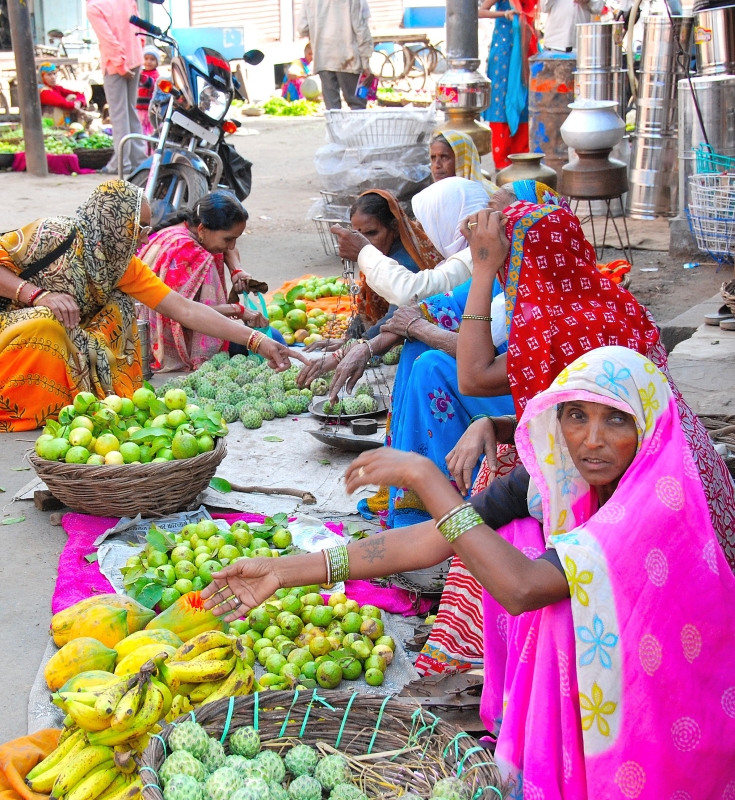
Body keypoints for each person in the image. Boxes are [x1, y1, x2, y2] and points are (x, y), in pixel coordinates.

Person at [202, 346, 735, 797]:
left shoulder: (656, 504)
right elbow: (433, 540)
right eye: (577, 416)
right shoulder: (558, 479)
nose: (591, 439)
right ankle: (542, 737)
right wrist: (282, 571)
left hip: (663, 705)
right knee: (509, 534)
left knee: (517, 560)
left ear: (647, 424)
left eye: (616, 419)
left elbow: (523, 589)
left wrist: (427, 478)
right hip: (606, 672)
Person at [0, 181, 303, 432]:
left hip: (67, 331)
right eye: (138, 227)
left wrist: (255, 340)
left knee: (119, 308)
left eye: (147, 227)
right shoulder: (52, 235)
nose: (143, 237)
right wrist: (37, 294)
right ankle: (29, 407)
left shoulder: (122, 265)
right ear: (111, 222)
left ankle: (92, 400)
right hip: (16, 324)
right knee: (45, 321)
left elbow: (183, 309)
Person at [138, 191, 270, 373]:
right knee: (267, 340)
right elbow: (184, 315)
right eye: (228, 239)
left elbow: (228, 250)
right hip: (169, 347)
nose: (231, 245)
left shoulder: (183, 230)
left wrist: (236, 269)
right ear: (202, 229)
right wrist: (239, 311)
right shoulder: (187, 252)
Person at [334, 177, 498, 308]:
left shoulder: (478, 255)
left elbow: (411, 295)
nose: (422, 232)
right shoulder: (477, 250)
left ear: (445, 220)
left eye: (427, 223)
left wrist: (364, 251)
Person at [348, 191, 442, 338]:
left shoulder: (404, 262)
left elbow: (398, 316)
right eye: (358, 236)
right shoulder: (379, 255)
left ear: (395, 228)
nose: (364, 243)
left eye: (372, 233)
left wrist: (363, 342)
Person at [87, 0, 147, 175]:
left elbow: (108, 40)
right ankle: (139, 160)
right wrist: (136, 51)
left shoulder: (94, 7)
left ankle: (120, 164)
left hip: (116, 65)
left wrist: (121, 64)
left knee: (119, 114)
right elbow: (140, 28)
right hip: (135, 58)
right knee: (130, 111)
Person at [479, 0, 538, 168]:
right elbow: (480, 11)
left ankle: (523, 159)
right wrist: (504, 14)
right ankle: (502, 164)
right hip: (504, 51)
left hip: (523, 49)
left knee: (525, 100)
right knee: (500, 103)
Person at [297, 0, 373, 110]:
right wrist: (365, 62)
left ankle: (334, 127)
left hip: (323, 56)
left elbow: (302, 28)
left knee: (332, 109)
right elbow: (361, 28)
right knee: (357, 105)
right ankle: (357, 127)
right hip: (348, 57)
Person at [429, 131, 499, 195]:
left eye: (444, 157)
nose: (436, 165)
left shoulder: (488, 198)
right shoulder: (430, 196)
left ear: (462, 160)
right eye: (433, 158)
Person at [136, 46, 161, 139]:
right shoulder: (141, 73)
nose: (149, 62)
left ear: (157, 62)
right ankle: (143, 150)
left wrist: (142, 78)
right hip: (139, 109)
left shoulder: (155, 75)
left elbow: (152, 86)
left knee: (151, 132)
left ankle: (151, 150)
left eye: (152, 59)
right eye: (146, 59)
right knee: (141, 132)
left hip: (150, 110)